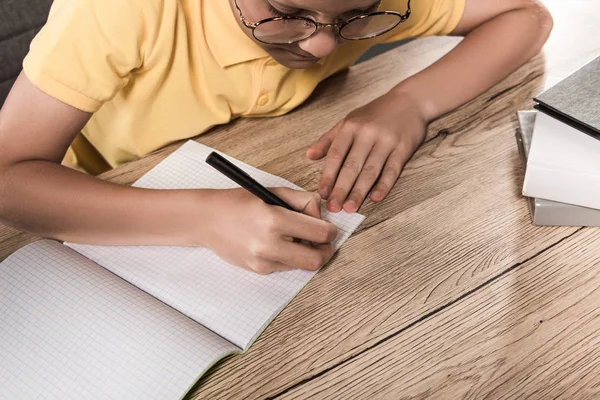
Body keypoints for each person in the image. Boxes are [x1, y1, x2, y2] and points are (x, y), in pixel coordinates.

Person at [0, 0, 552, 274]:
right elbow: (9, 179)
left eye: (356, 18)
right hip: (91, 194)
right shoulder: (127, 11)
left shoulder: (373, 4)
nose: (319, 48)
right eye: (286, 14)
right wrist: (203, 218)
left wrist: (410, 102)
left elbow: (528, 15)